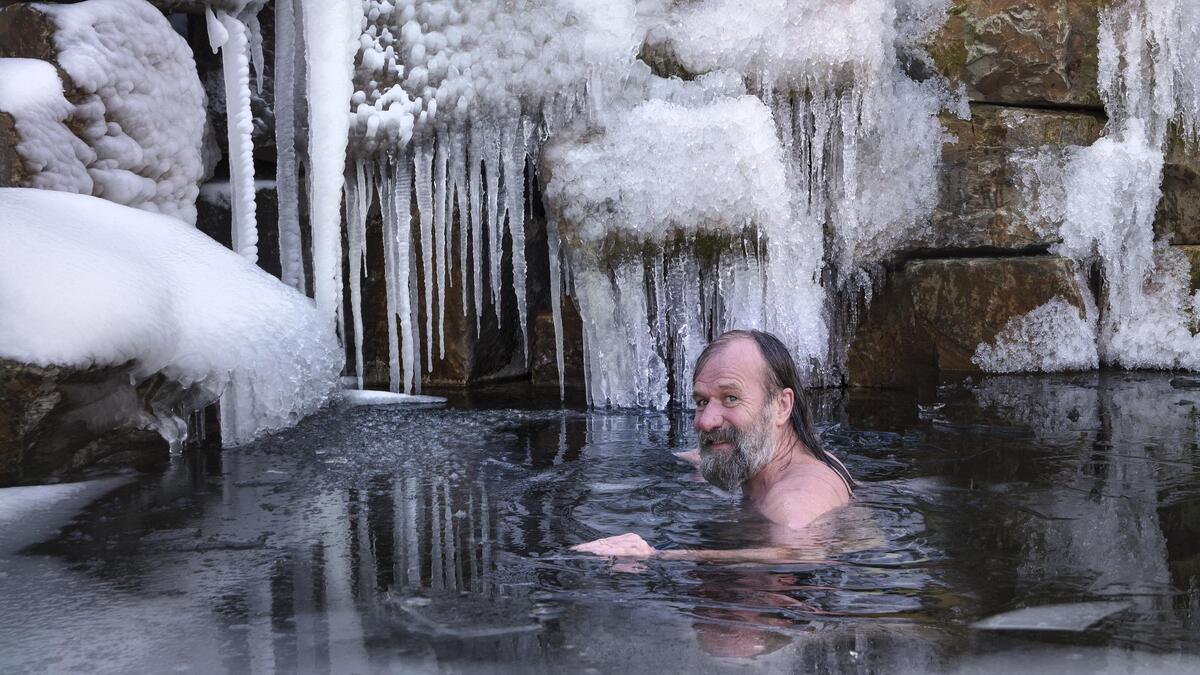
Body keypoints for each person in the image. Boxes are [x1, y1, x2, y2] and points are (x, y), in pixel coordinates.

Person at [573, 329, 853, 560]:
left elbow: (797, 553)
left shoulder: (791, 503)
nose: (705, 422)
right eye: (702, 401)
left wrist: (657, 555)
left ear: (781, 406)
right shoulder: (811, 457)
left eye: (731, 398)